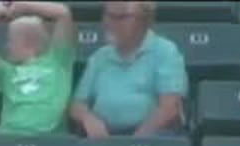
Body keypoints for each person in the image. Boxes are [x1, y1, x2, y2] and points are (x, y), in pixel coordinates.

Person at [68, 1, 186, 138]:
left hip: (151, 137)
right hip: (103, 137)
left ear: (144, 21)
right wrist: (88, 118)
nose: (109, 23)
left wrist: (133, 142)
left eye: (120, 17)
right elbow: (77, 105)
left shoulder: (165, 51)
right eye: (108, 15)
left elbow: (169, 108)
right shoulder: (99, 57)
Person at [0, 0, 76, 137]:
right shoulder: (5, 72)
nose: (7, 47)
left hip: (48, 141)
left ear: (28, 42)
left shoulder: (58, 61)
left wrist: (24, 6)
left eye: (10, 41)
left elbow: (63, 13)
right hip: (7, 137)